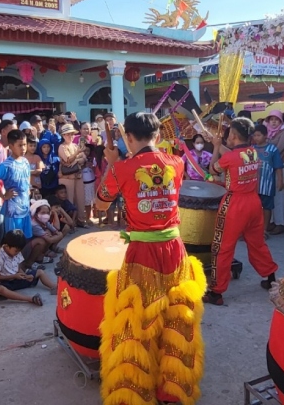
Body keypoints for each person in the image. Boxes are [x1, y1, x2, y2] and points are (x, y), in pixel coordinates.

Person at [95, 112, 206, 405]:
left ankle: (136, 392)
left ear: (128, 138)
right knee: (176, 316)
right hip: (174, 248)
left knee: (139, 319)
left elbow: (99, 203)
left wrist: (111, 164)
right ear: (157, 136)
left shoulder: (122, 168)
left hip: (141, 253)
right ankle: (172, 390)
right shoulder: (177, 162)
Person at [205, 117, 280, 305]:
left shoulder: (229, 157)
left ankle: (216, 292)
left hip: (235, 204)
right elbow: (234, 156)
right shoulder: (253, 152)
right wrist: (218, 144)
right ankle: (271, 279)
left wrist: (215, 147)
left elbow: (212, 170)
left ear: (233, 135)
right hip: (254, 203)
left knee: (223, 248)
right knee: (257, 243)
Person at [0, 229, 56, 306]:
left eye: (19, 251)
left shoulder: (17, 253)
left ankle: (54, 287)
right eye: (16, 251)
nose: (17, 253)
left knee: (40, 272)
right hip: (6, 282)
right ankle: (30, 299)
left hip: (17, 279)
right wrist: (14, 276)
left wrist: (25, 276)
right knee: (0, 289)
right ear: (7, 246)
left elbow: (19, 269)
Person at [0, 129, 32, 238]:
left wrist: (28, 189)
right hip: (13, 211)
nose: (23, 148)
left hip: (25, 208)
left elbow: (27, 176)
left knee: (26, 239)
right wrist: (3, 196)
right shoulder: (6, 165)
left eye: (25, 145)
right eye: (20, 145)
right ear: (11, 146)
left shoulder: (25, 161)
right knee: (14, 241)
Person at [252, 124, 284, 235]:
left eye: (258, 135)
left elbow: (278, 167)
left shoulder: (272, 149)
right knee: (253, 209)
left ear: (266, 136)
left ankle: (264, 230)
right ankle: (252, 230)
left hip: (267, 185)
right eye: (254, 135)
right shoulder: (251, 149)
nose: (256, 138)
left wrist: (280, 180)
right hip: (253, 185)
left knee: (267, 207)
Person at [57, 124, 88, 225]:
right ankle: (69, 223)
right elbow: (67, 160)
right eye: (67, 134)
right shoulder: (62, 147)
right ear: (63, 136)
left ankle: (81, 220)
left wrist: (76, 161)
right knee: (69, 200)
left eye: (71, 134)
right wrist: (76, 156)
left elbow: (84, 158)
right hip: (67, 177)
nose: (70, 136)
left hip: (77, 176)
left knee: (80, 199)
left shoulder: (75, 146)